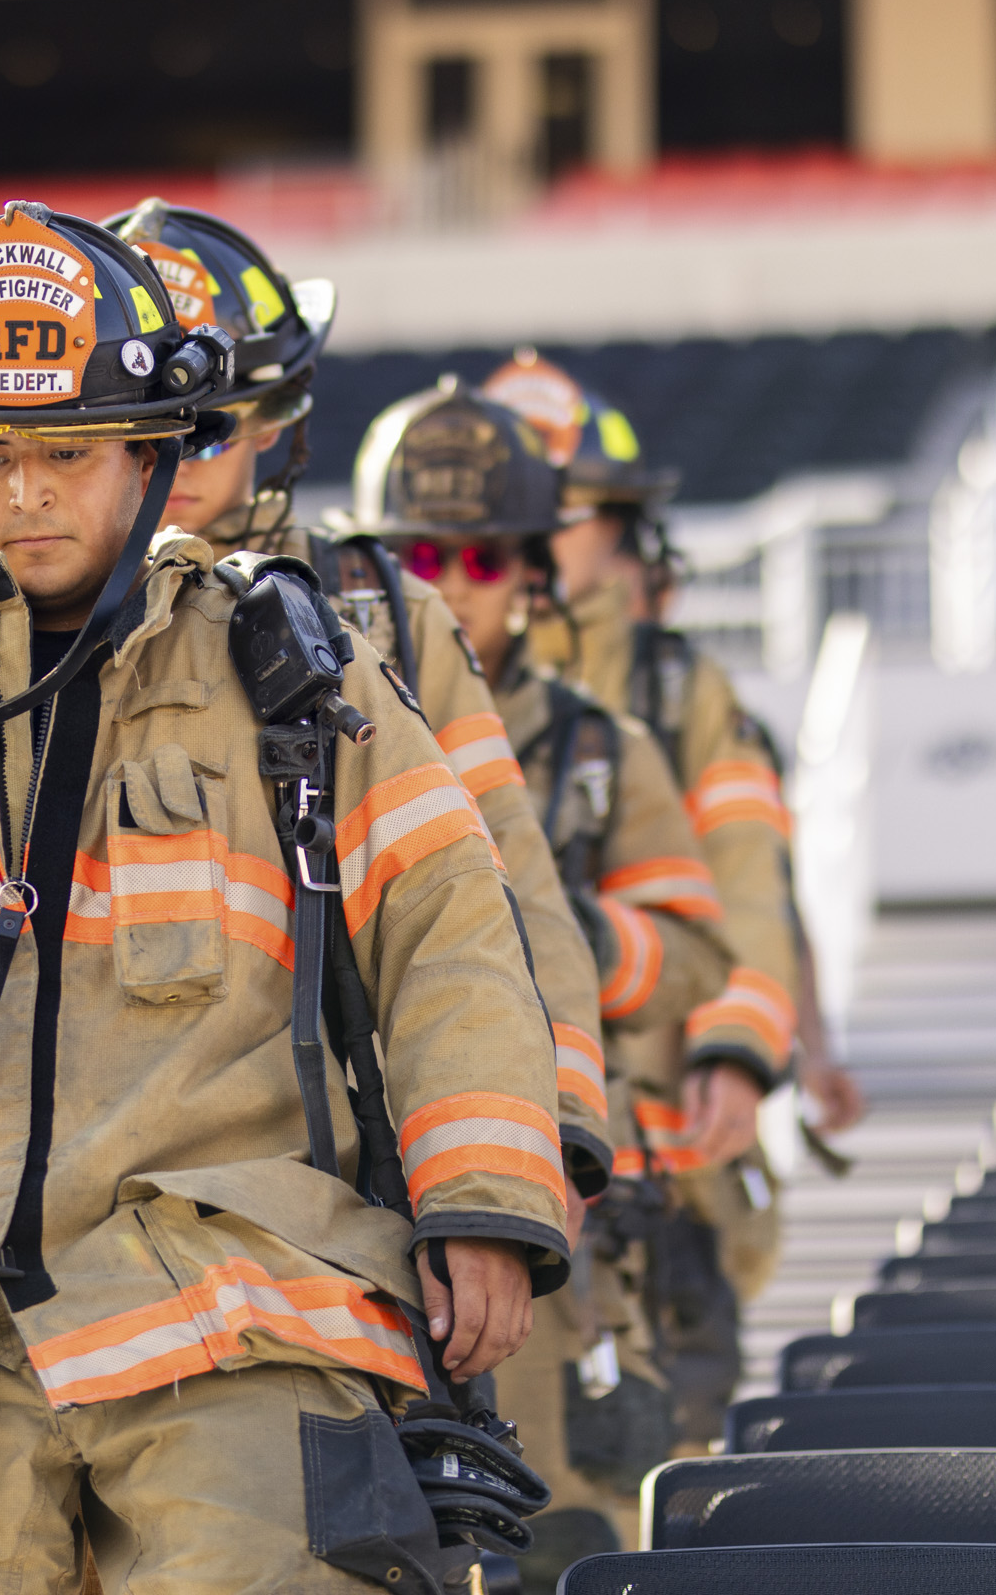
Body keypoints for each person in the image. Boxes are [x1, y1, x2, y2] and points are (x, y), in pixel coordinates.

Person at [0, 203, 571, 1595]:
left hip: (231, 1328)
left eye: (67, 451)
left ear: (153, 455)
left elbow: (450, 938)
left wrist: (482, 1201)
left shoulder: (297, 682)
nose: (24, 492)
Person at [105, 199, 615, 1231]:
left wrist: (532, 1141)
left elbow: (499, 892)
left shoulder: (383, 620)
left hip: (331, 1187)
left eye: (220, 423)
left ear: (280, 420)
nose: (186, 454)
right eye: (155, 422)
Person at [330, 376, 734, 1579]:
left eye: (481, 556)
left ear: (533, 571)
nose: (447, 583)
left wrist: (561, 935)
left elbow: (701, 949)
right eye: (415, 551)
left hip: (544, 1224)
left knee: (550, 1530)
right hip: (361, 1207)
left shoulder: (608, 747)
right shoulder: (308, 718)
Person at [483, 351, 801, 1437]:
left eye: (555, 510)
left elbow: (749, 885)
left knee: (665, 1459)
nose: (525, 538)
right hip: (492, 1164)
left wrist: (736, 1047)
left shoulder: (680, 692)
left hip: (665, 1163)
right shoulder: (415, 670)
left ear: (619, 529)